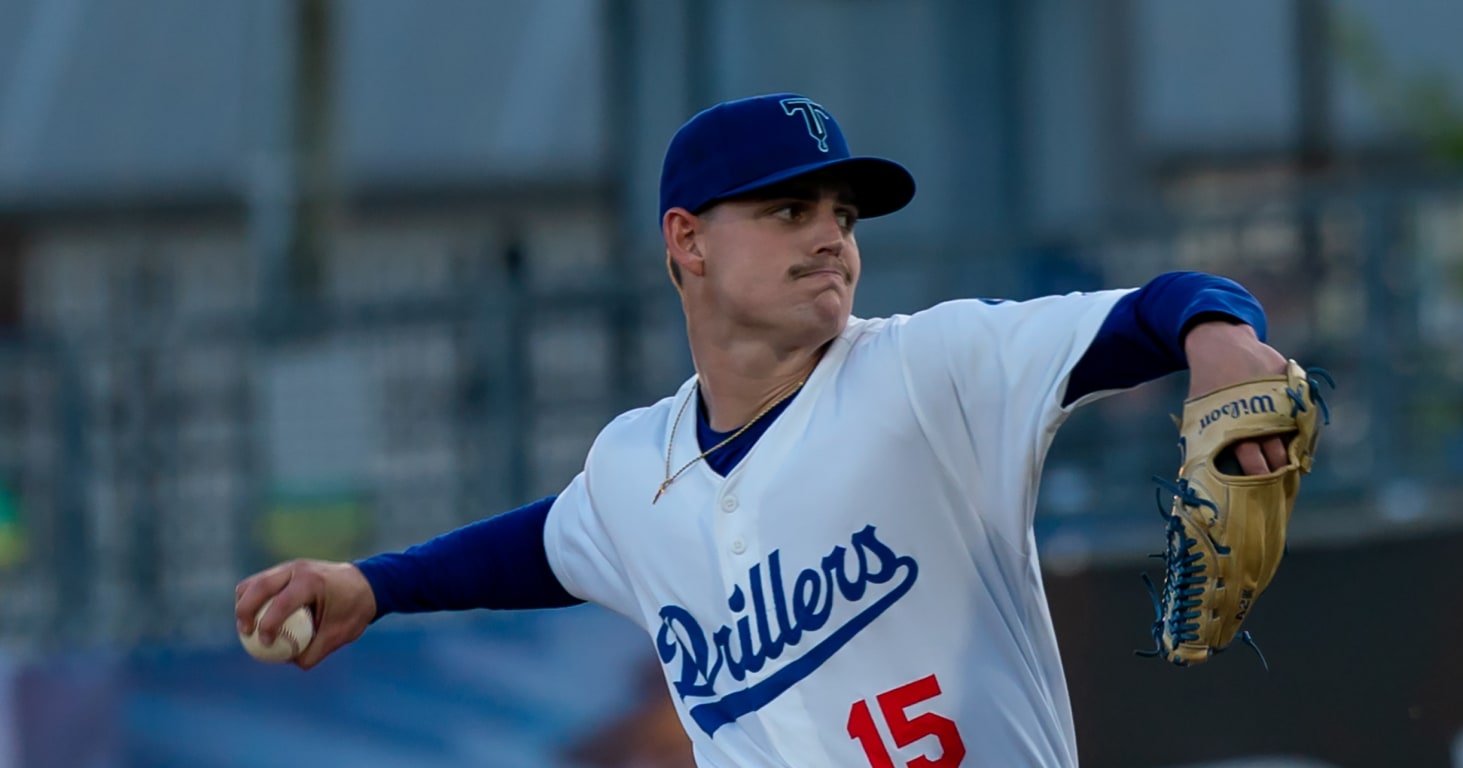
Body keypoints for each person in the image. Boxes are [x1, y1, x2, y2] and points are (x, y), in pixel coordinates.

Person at [235, 93, 1291, 767]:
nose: (831, 236)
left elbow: (1156, 307)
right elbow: (548, 542)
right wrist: (376, 585)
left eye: (842, 214)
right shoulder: (632, 468)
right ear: (686, 242)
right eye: (790, 212)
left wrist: (1218, 333)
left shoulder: (928, 372)